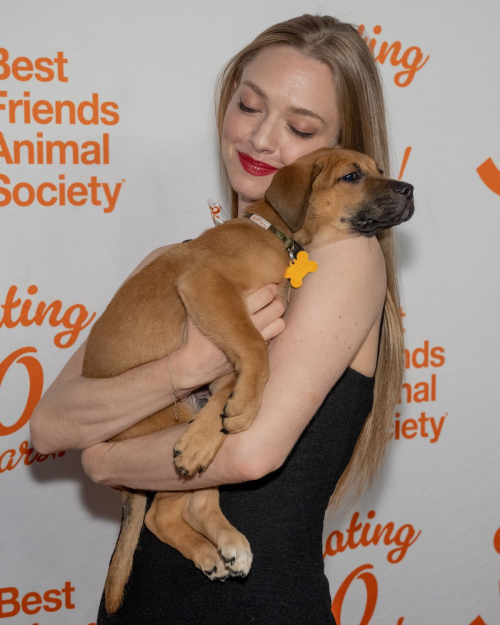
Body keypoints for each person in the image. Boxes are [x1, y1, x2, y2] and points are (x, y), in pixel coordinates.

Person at [30, 13, 404, 624]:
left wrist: (103, 460)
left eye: (299, 126)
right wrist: (184, 368)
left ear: (340, 148)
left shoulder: (345, 257)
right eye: (249, 106)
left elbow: (251, 451)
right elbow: (48, 426)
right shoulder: (177, 261)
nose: (261, 140)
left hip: (253, 607)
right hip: (141, 602)